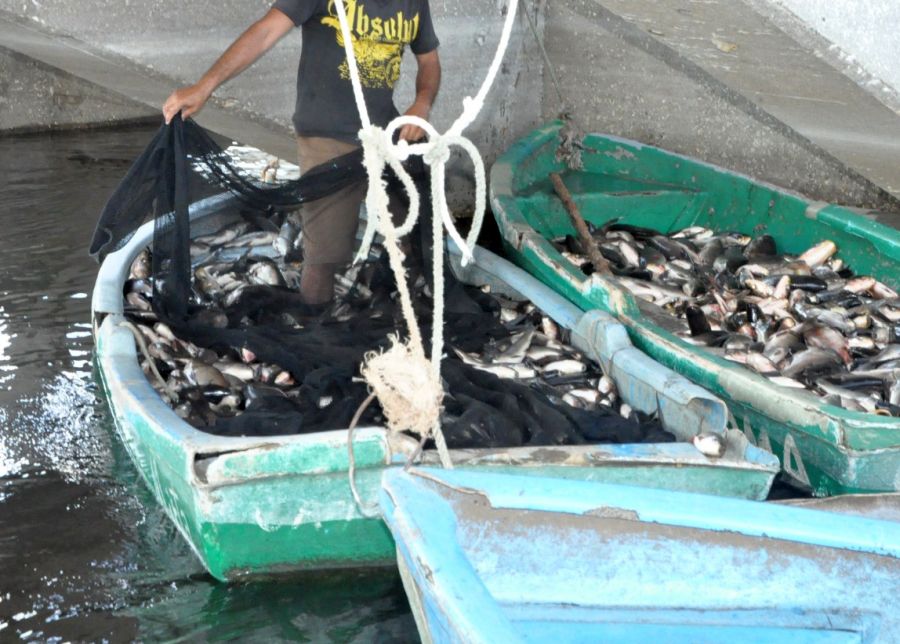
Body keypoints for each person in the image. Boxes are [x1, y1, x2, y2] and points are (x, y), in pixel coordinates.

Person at [162, 1, 441, 306]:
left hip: (386, 132)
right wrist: (205, 86)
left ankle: (408, 314)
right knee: (324, 257)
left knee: (415, 231)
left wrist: (422, 103)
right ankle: (313, 326)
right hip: (328, 135)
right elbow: (266, 31)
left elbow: (428, 61)